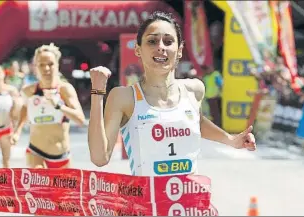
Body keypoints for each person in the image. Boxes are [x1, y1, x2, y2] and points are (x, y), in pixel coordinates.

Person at [88, 11, 256, 176]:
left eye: (168, 41)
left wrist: (231, 140)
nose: (161, 47)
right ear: (138, 50)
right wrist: (97, 92)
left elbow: (196, 122)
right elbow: (100, 158)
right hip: (148, 202)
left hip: (191, 201)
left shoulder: (194, 89)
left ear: (180, 50)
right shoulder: (123, 97)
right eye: (152, 41)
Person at [11, 43, 85, 169]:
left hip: (61, 156)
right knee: (40, 182)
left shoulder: (65, 90)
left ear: (57, 65)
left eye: (50, 64)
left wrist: (59, 106)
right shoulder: (28, 91)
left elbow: (80, 119)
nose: (46, 68)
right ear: (36, 67)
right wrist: (17, 131)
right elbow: (24, 107)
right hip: (36, 152)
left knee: (64, 189)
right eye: (41, 65)